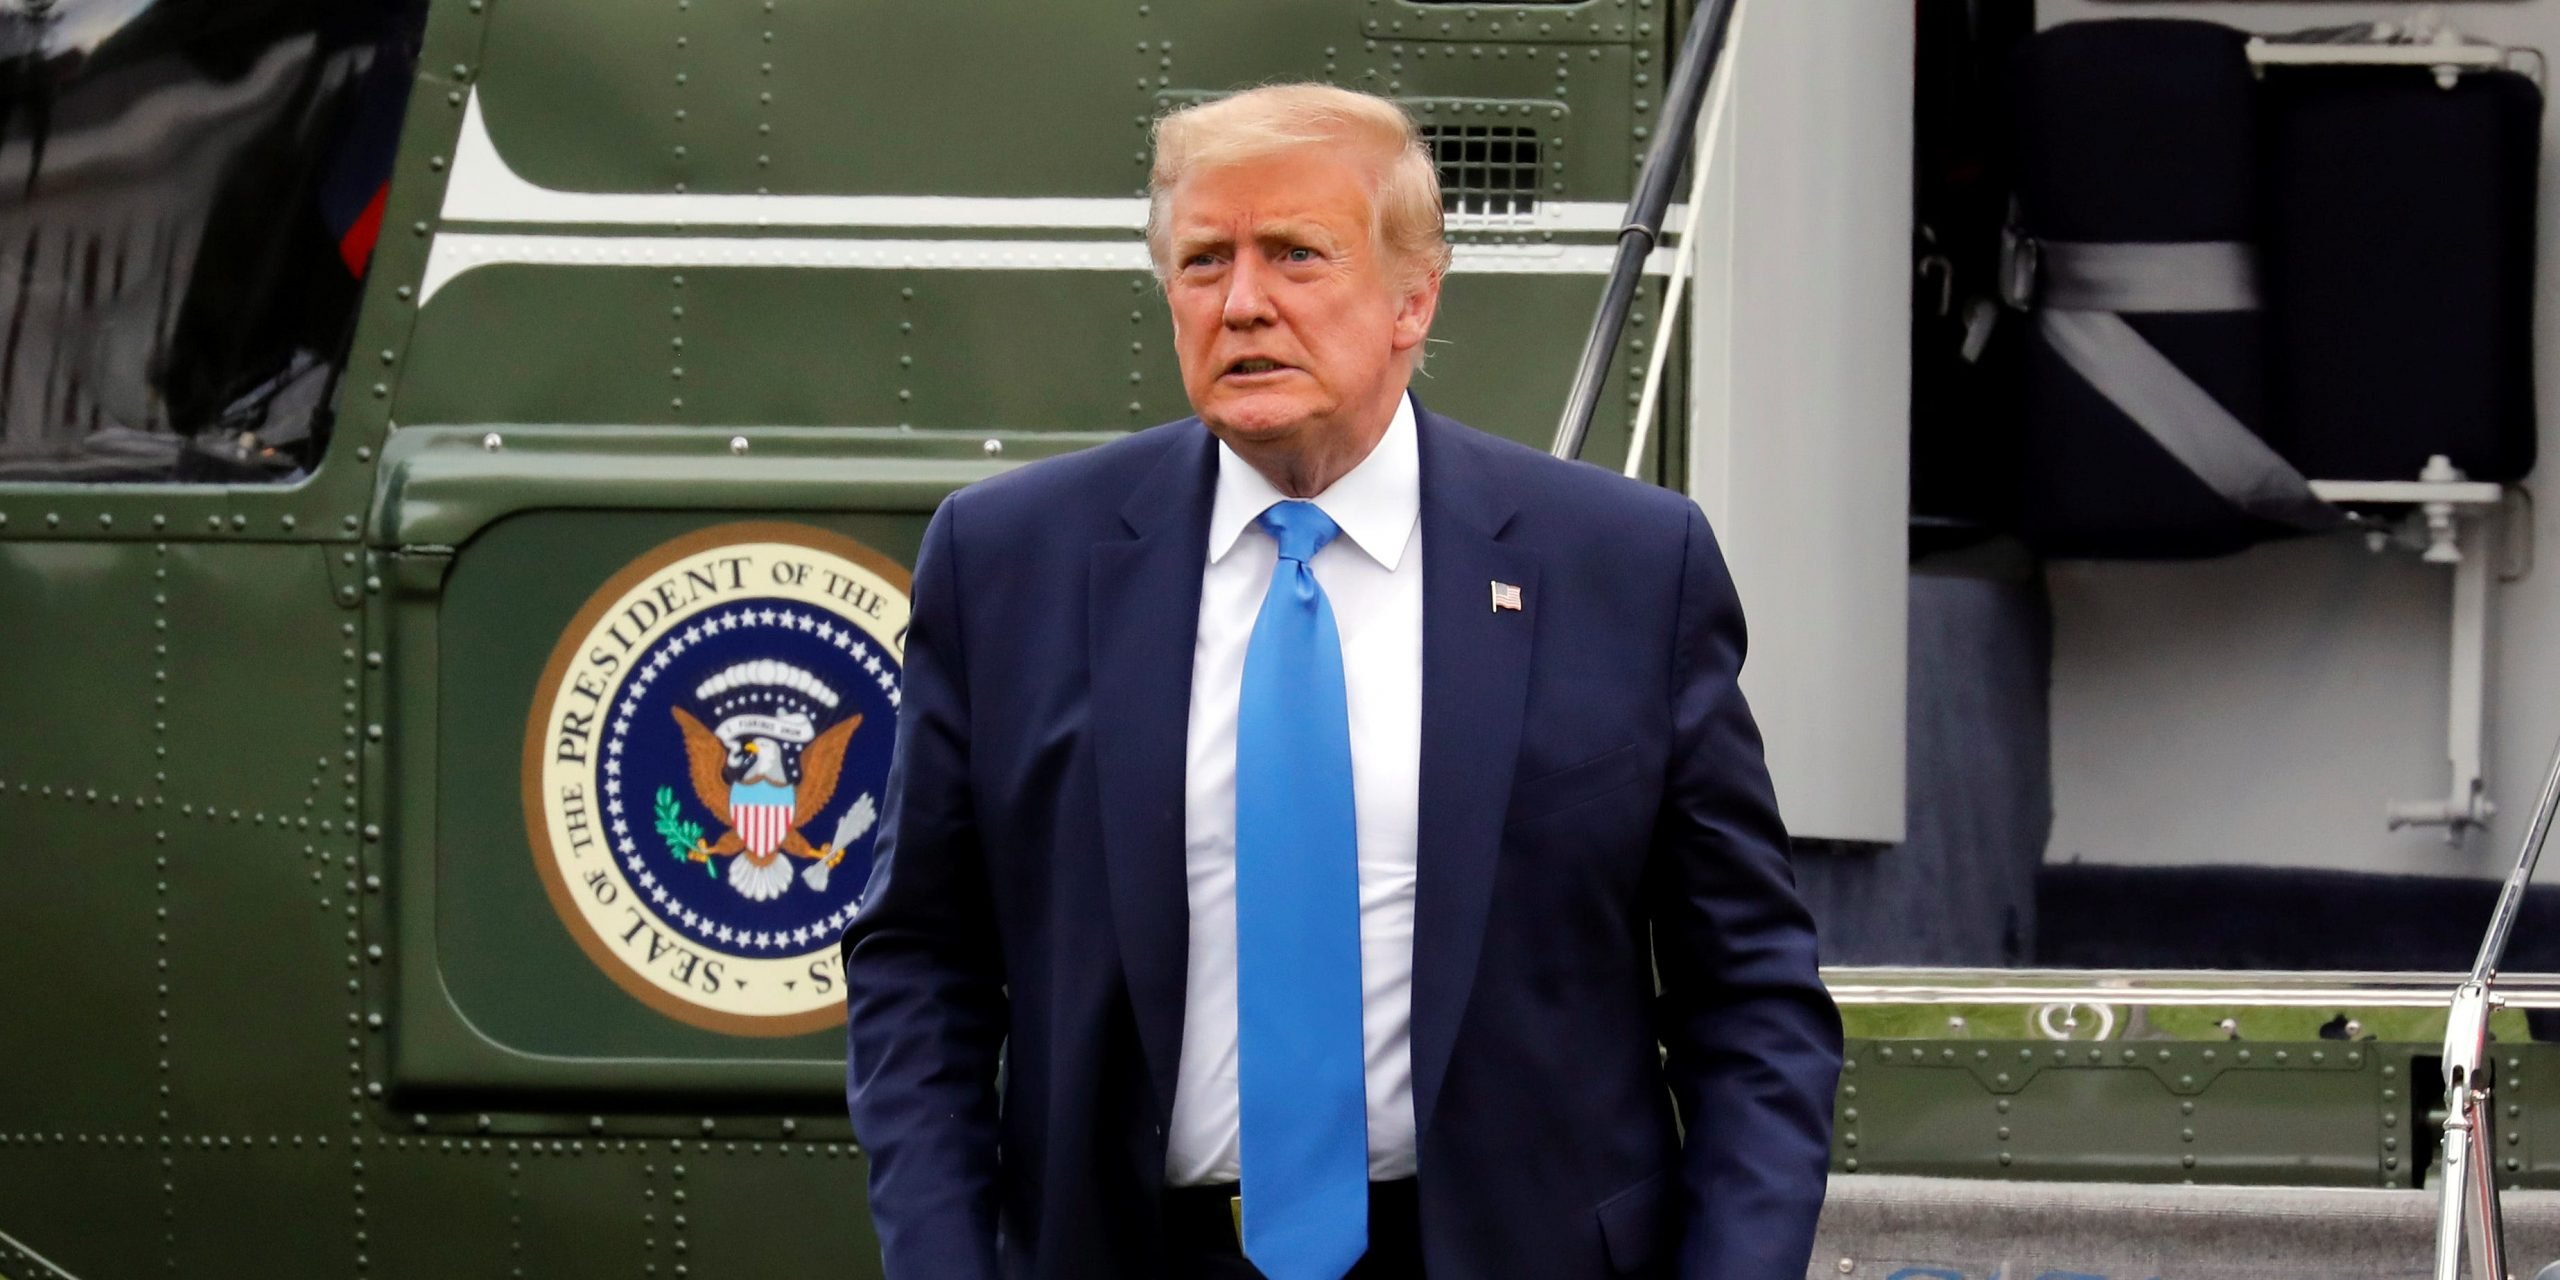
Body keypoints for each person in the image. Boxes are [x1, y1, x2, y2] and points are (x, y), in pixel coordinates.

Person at [842, 83, 1841, 1280]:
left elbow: (1752, 1000)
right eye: (1204, 259)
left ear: (1414, 296)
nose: (1243, 301)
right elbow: (921, 968)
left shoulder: (1624, 568)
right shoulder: (1011, 563)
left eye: (1295, 255)